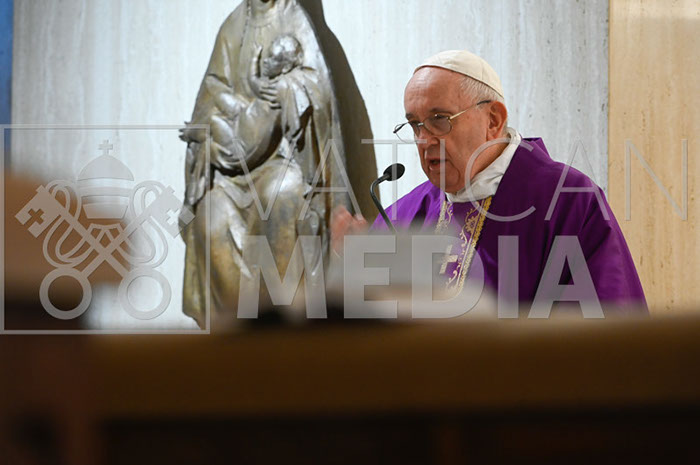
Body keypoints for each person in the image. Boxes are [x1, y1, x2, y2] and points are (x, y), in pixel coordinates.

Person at [332, 50, 647, 314]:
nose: (424, 140)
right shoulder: (402, 216)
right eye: (415, 125)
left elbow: (603, 332)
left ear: (493, 120)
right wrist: (357, 274)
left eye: (439, 119)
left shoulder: (567, 202)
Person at [181, 0, 351, 327]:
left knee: (283, 196)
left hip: (282, 160)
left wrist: (287, 89)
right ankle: (232, 337)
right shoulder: (233, 27)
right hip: (232, 168)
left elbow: (318, 93)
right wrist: (228, 118)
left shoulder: (294, 19)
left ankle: (288, 332)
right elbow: (211, 93)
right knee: (210, 217)